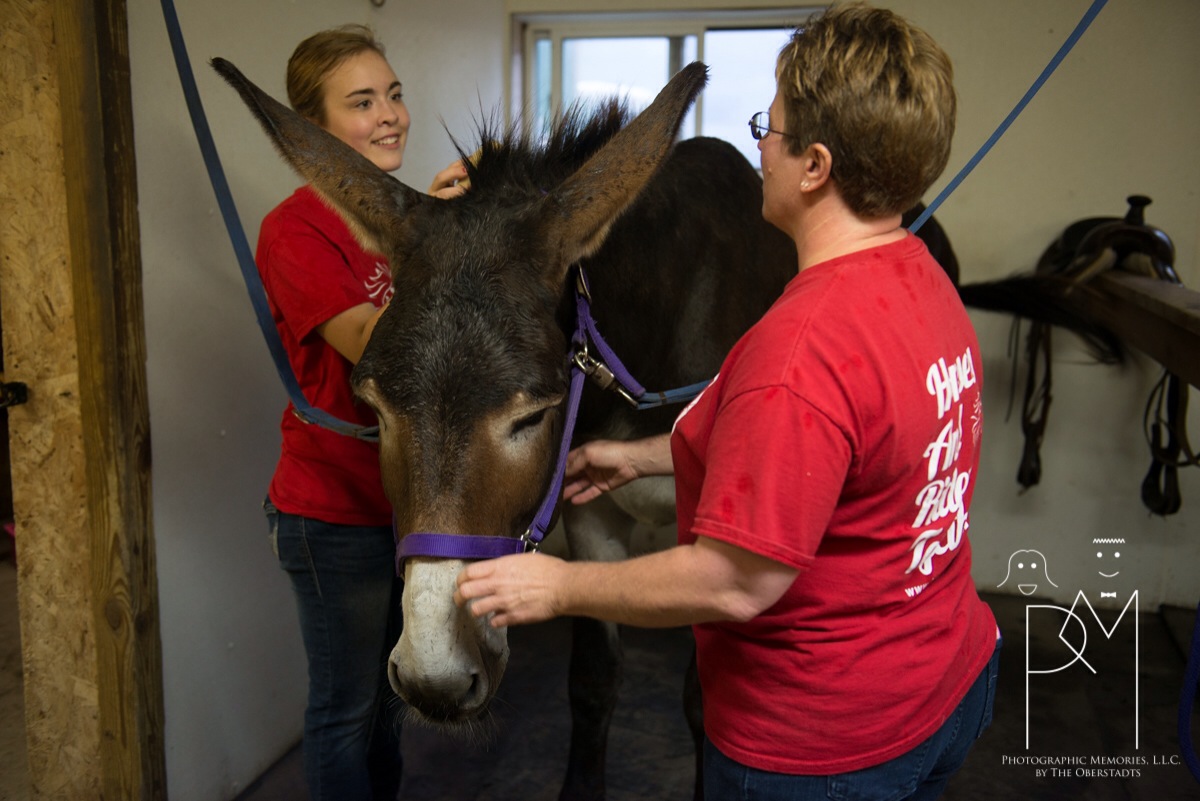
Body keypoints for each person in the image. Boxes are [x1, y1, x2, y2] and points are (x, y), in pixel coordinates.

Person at [454, 4, 1000, 799]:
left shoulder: (800, 348)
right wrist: (641, 455)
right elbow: (841, 443)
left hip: (822, 742)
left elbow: (735, 582)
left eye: (768, 128)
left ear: (815, 166)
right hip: (945, 680)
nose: (759, 147)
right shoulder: (921, 276)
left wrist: (557, 585)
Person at [256, 24, 465, 801]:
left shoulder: (407, 216)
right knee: (345, 710)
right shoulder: (295, 230)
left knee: (389, 706)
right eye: (363, 101)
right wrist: (440, 247)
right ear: (313, 131)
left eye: (394, 94)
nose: (390, 115)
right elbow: (378, 346)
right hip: (333, 511)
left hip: (403, 506)